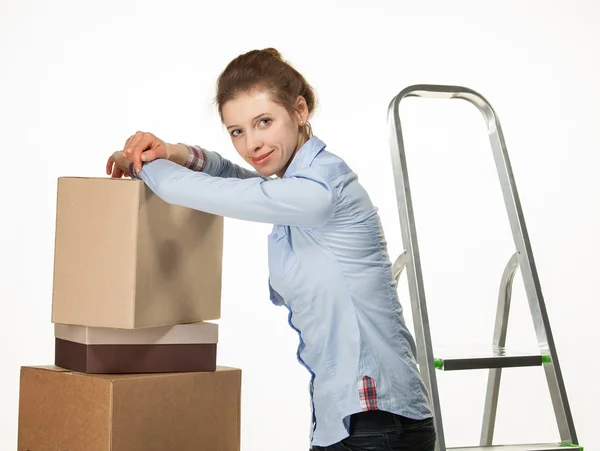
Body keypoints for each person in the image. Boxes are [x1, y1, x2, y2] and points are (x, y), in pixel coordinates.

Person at [106, 48, 436, 451]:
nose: (252, 144)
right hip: (349, 422)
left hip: (376, 424)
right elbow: (229, 174)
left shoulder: (319, 189)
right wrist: (170, 151)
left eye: (264, 122)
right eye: (237, 131)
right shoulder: (299, 183)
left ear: (299, 110)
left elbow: (198, 190)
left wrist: (138, 161)